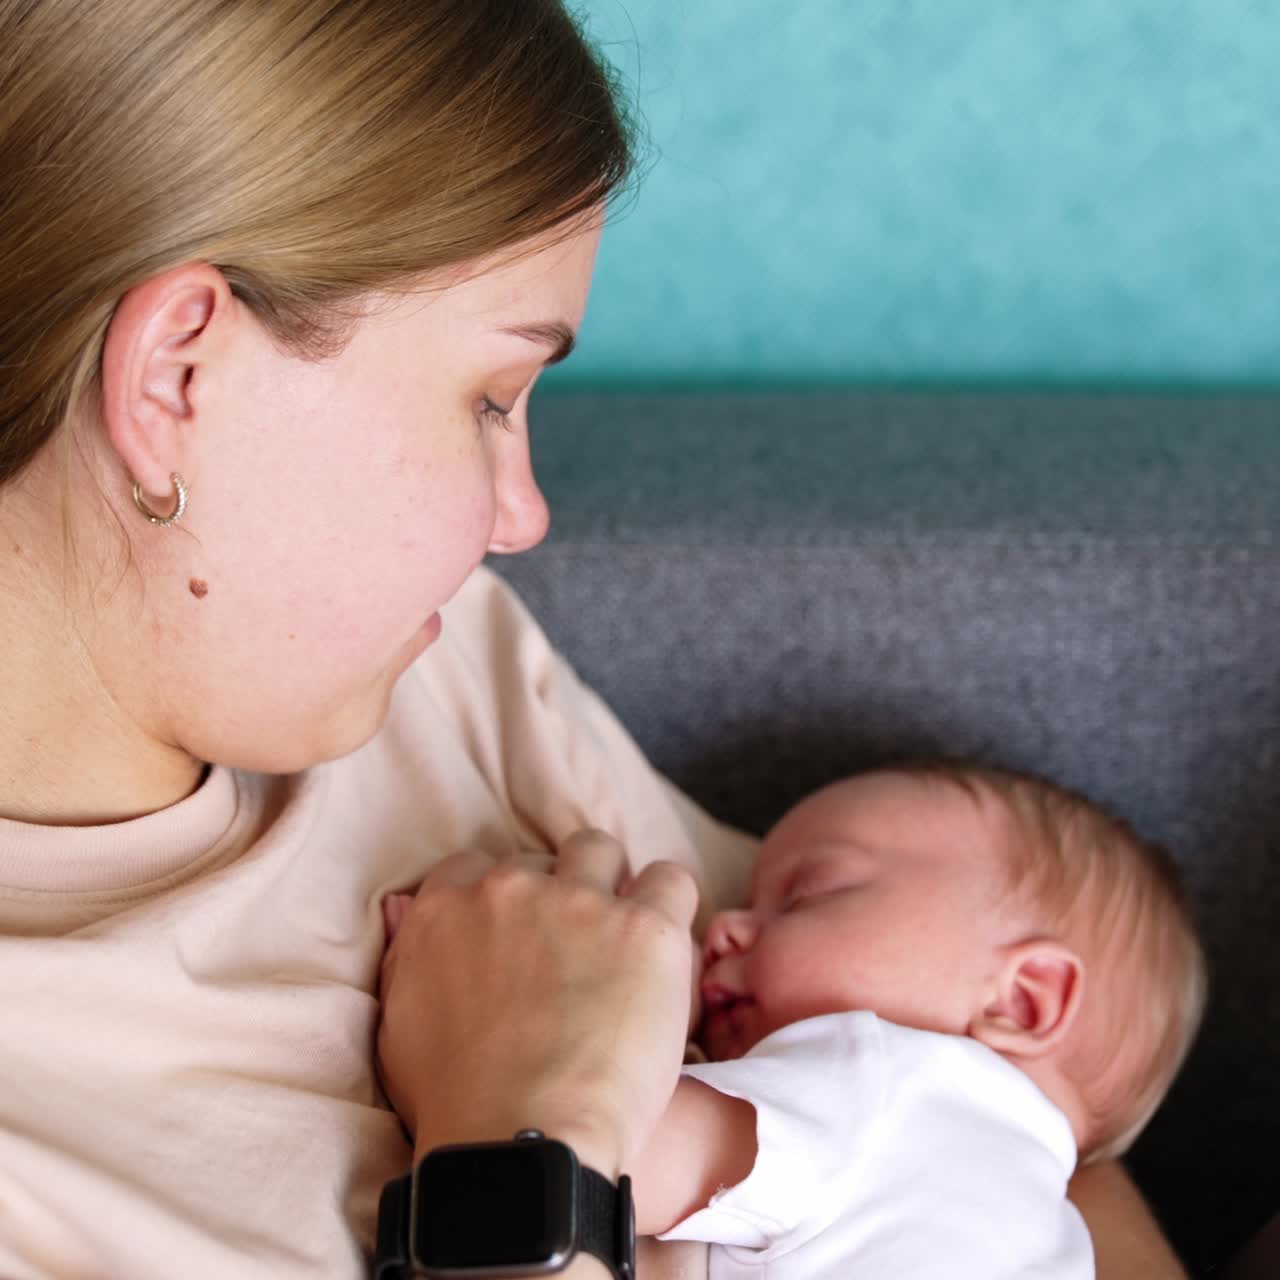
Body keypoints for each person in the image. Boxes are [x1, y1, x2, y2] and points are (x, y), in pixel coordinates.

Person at [0, 1, 1190, 1276]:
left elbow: (1029, 1112)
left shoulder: (434, 672)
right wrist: (521, 1142)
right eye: (490, 398)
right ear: (178, 376)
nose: (522, 516)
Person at [383, 763, 1206, 1278]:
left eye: (809, 896)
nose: (726, 928)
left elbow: (580, 1116)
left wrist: (477, 983)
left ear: (1021, 1002)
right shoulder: (1054, 1234)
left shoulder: (891, 1085)